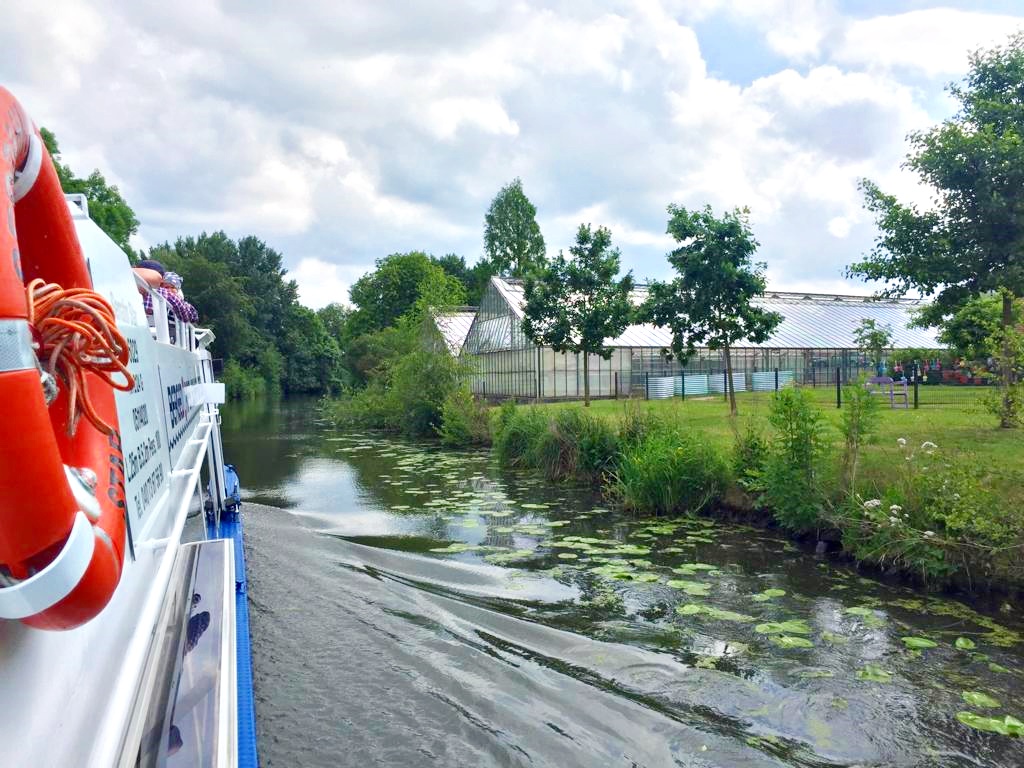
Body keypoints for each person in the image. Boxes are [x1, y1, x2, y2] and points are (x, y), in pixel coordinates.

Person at [133, 259, 198, 324]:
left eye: (172, 287)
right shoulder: (161, 292)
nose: (169, 289)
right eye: (166, 287)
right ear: (160, 281)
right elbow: (189, 315)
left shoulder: (127, 284)